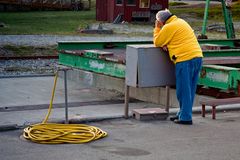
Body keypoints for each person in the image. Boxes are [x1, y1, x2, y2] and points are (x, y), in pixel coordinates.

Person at [153, 9, 203, 125]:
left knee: (183, 90)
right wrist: (168, 44)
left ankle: (185, 118)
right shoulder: (181, 22)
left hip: (184, 59)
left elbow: (157, 41)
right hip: (197, 56)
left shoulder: (167, 27)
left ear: (161, 21)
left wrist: (157, 28)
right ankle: (183, 113)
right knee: (190, 89)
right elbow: (177, 39)